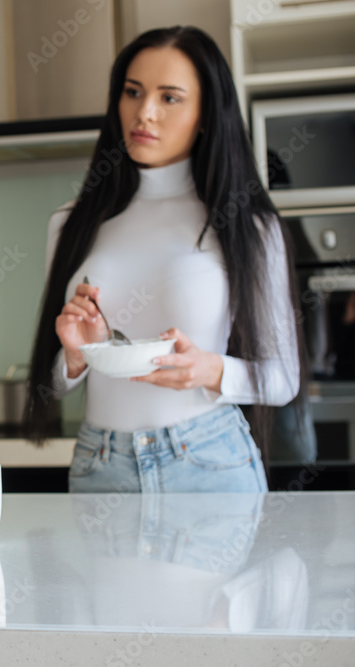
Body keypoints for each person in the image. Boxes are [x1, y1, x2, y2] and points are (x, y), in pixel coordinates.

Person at [22, 27, 305, 493]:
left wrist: (210, 370)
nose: (144, 112)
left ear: (206, 115)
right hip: (101, 464)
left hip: (208, 462)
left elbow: (283, 379)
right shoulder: (70, 222)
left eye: (169, 97)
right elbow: (51, 386)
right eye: (133, 92)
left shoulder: (247, 226)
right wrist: (75, 355)